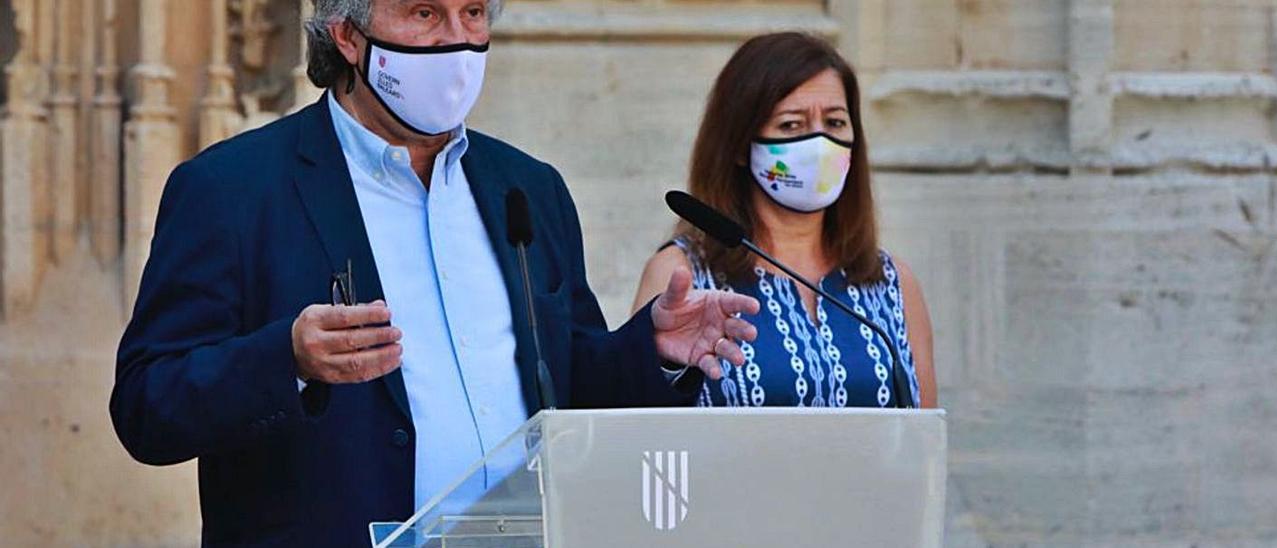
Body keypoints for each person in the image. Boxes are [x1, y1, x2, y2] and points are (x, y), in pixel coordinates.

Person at [109, 0, 757, 545]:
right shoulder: (233, 190)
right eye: (424, 12)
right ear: (348, 33)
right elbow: (147, 406)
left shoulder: (528, 189)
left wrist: (652, 351)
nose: (456, 40)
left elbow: (568, 387)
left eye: (472, 12)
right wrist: (287, 360)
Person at [632, 32, 937, 409]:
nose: (819, 143)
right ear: (741, 145)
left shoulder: (893, 282)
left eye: (835, 122)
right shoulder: (681, 276)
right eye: (791, 125)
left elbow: (924, 443)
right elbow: (640, 431)